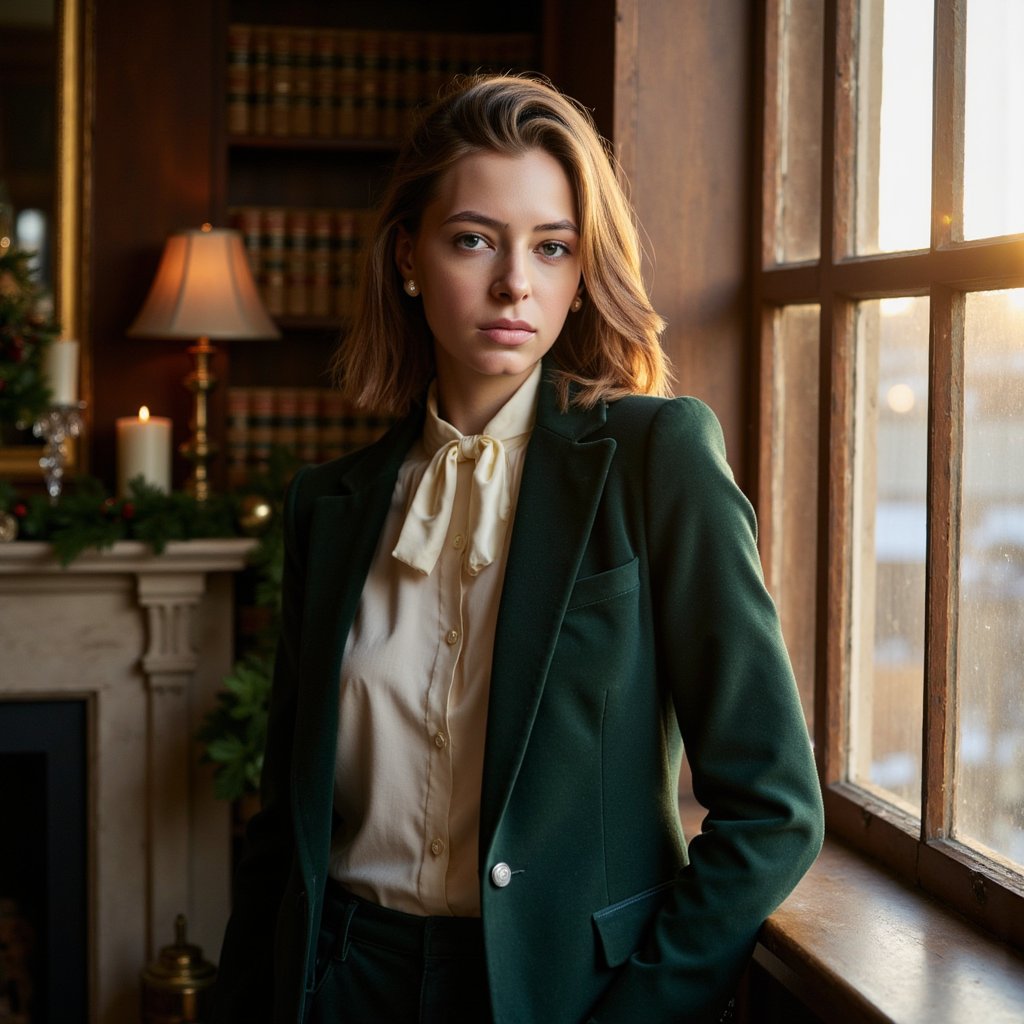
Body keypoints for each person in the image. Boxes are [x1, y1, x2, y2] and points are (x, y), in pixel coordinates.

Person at [211, 73, 824, 1024]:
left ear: (583, 274)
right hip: (341, 982)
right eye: (473, 240)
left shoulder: (655, 458)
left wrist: (639, 1013)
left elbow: (776, 809)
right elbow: (281, 823)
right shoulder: (328, 506)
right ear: (409, 256)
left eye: (551, 247)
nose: (514, 283)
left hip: (556, 997)